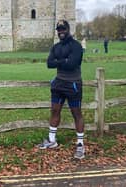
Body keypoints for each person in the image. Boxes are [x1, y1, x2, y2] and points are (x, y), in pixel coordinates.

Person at [37, 20, 85, 159]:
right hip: (58, 83)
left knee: (76, 113)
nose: (61, 32)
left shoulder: (76, 46)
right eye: (59, 29)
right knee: (55, 110)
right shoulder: (56, 46)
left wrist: (60, 61)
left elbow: (73, 63)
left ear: (68, 29)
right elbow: (49, 64)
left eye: (63, 29)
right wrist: (64, 61)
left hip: (73, 84)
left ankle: (80, 144)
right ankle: (52, 141)